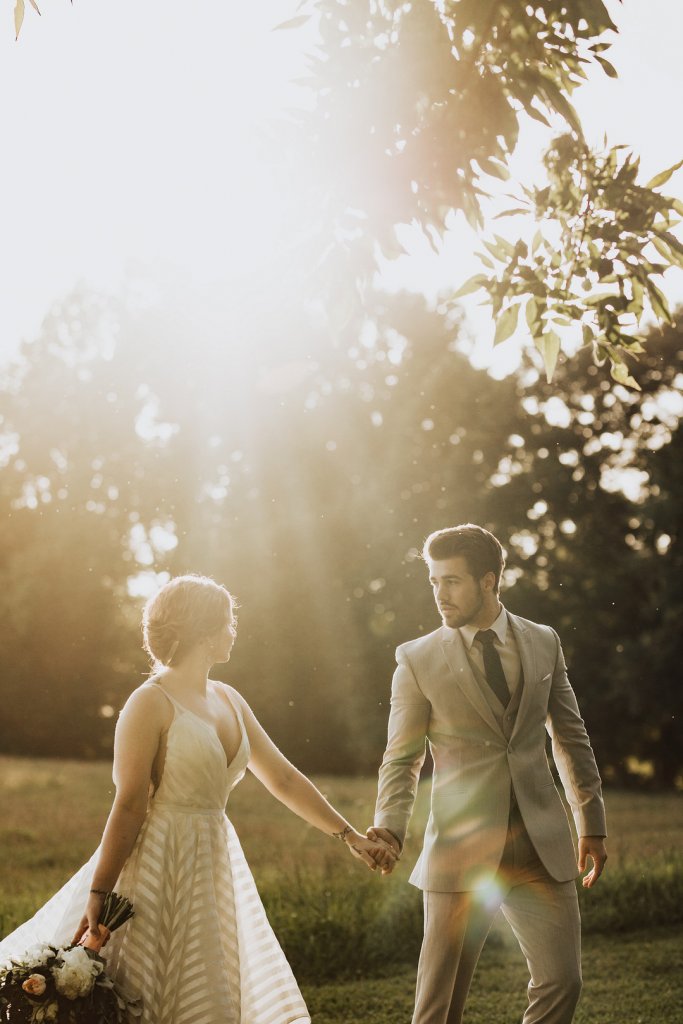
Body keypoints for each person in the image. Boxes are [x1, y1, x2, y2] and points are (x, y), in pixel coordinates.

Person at [0, 574, 396, 1024]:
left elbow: (283, 777)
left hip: (212, 860)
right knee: (141, 989)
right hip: (155, 864)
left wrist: (348, 836)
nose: (233, 631)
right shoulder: (148, 702)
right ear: (204, 632)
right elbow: (130, 803)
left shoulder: (229, 698)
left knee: (208, 987)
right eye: (227, 622)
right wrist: (99, 890)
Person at [368, 524, 607, 1024]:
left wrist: (592, 823)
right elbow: (402, 756)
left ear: (490, 581)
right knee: (440, 1006)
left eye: (452, 581)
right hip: (461, 846)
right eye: (434, 581)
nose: (440, 594)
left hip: (541, 842)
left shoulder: (544, 643)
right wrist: (390, 827)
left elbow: (570, 736)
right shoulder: (416, 659)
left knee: (563, 982)